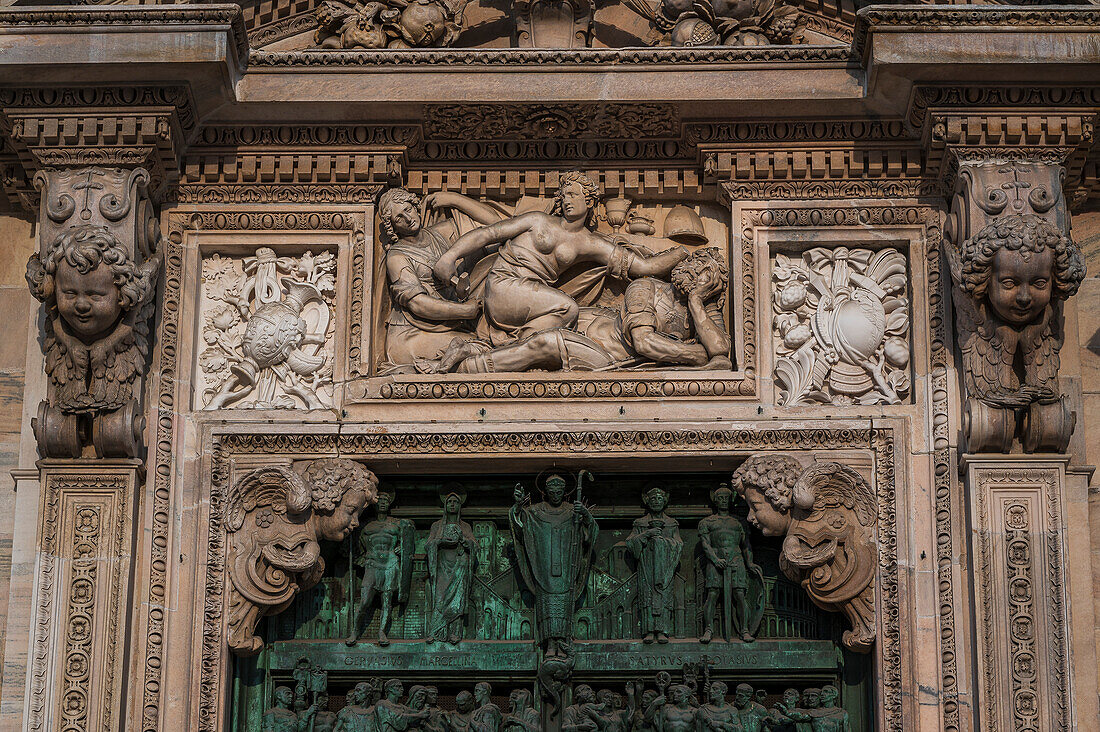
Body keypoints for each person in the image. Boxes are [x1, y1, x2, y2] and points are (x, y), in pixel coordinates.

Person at [433, 171, 687, 346]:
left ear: (589, 201)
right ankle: (520, 348)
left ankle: (518, 348)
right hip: (502, 284)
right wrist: (450, 256)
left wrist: (683, 252)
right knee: (568, 308)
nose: (567, 201)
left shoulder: (591, 243)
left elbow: (644, 267)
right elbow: (489, 233)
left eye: (573, 195)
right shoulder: (538, 220)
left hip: (529, 295)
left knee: (565, 314)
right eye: (564, 196)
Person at [378, 187, 506, 369]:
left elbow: (495, 226)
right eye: (399, 218)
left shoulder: (443, 232)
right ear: (393, 226)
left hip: (454, 326)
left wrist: (454, 199)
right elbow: (418, 303)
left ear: (416, 206)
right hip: (413, 335)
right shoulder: (397, 257)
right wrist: (465, 311)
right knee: (491, 347)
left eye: (408, 209)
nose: (408, 219)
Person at [509, 474, 598, 658]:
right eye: (552, 492)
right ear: (546, 492)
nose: (556, 495)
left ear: (564, 492)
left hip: (567, 566)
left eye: (559, 492)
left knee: (564, 603)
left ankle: (563, 642)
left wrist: (586, 515)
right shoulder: (536, 511)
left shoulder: (573, 511)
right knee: (547, 603)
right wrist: (518, 506)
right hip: (544, 567)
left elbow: (591, 533)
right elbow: (520, 528)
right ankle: (550, 643)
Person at [347, 488, 415, 646]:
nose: (383, 504)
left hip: (391, 562)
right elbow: (353, 548)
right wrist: (360, 560)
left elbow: (409, 539)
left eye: (386, 501)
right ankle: (354, 632)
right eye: (380, 501)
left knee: (387, 601)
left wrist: (402, 548)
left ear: (390, 504)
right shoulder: (365, 524)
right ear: (375, 504)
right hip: (372, 562)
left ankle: (382, 633)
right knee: (364, 601)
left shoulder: (397, 524)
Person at [698, 486, 762, 643]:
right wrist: (715, 560)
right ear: (715, 500)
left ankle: (744, 630)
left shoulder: (739, 522)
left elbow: (746, 544)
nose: (723, 501)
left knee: (740, 595)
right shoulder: (707, 522)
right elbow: (706, 545)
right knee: (712, 595)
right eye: (720, 498)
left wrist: (750, 562)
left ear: (731, 500)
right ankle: (708, 629)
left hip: (736, 560)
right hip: (715, 562)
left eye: (726, 498)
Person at [626, 484, 683, 644]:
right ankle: (649, 630)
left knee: (664, 597)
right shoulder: (640, 523)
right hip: (646, 568)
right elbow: (630, 543)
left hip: (665, 569)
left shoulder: (672, 523)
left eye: (659, 498)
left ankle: (663, 630)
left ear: (665, 501)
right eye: (653, 499)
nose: (656, 501)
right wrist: (646, 535)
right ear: (647, 501)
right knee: (648, 598)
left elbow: (679, 544)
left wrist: (663, 542)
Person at [426, 486, 477, 644]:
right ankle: (437, 631)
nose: (453, 505)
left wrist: (463, 539)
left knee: (457, 599)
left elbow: (474, 545)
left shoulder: (465, 527)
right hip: (442, 567)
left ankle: (455, 632)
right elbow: (429, 545)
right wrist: (439, 541)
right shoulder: (437, 526)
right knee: (440, 599)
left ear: (460, 506)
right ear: (445, 506)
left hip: (459, 566)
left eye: (456, 502)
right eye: (450, 502)